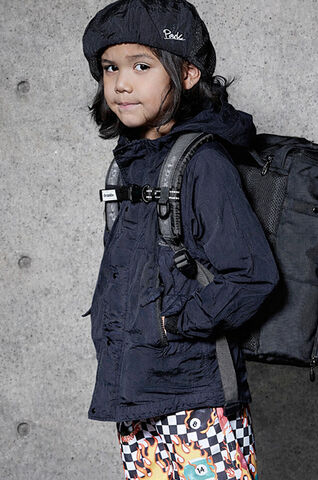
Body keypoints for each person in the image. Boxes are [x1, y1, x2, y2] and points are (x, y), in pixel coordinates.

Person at [81, 0, 279, 478]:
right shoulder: (128, 165)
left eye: (141, 66)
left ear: (188, 74)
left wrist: (174, 323)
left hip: (197, 400)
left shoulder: (204, 163)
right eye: (110, 67)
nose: (121, 83)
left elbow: (253, 275)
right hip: (135, 394)